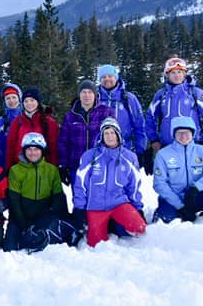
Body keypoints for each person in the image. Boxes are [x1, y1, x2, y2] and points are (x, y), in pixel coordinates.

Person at [72, 117, 146, 247]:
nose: (110, 136)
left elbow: (134, 186)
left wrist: (138, 208)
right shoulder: (89, 157)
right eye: (106, 133)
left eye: (113, 133)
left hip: (119, 203)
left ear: (118, 135)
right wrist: (79, 208)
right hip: (95, 207)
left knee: (140, 228)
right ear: (101, 136)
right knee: (97, 244)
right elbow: (80, 185)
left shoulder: (129, 157)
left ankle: (115, 224)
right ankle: (106, 225)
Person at [5, 132, 75, 254]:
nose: (33, 153)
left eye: (36, 149)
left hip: (43, 215)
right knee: (9, 248)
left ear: (42, 151)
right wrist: (22, 223)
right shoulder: (15, 170)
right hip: (21, 216)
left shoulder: (51, 170)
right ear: (24, 151)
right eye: (29, 149)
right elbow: (14, 200)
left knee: (43, 242)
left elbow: (59, 197)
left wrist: (53, 213)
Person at [152, 117, 203, 223]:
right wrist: (181, 206)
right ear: (174, 134)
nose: (183, 137)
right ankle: (173, 214)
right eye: (179, 133)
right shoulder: (163, 154)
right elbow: (159, 183)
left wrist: (196, 188)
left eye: (187, 133)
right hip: (173, 200)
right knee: (164, 221)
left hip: (196, 196)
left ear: (193, 134)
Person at [145, 57, 203, 151]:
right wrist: (154, 139)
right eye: (173, 72)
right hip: (167, 146)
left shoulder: (196, 93)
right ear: (167, 75)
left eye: (179, 72)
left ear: (184, 74)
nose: (177, 75)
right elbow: (150, 117)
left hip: (192, 146)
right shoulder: (161, 95)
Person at [57, 80, 111, 185]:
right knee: (79, 199)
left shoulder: (106, 112)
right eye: (83, 92)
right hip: (76, 166)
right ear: (79, 95)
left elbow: (114, 138)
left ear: (95, 94)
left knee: (98, 199)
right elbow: (63, 142)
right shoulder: (70, 116)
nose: (87, 95)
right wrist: (62, 165)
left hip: (100, 165)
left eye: (90, 92)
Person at [96, 64, 148, 165]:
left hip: (125, 149)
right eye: (103, 77)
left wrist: (141, 150)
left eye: (110, 76)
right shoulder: (95, 98)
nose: (107, 79)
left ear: (116, 77)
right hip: (100, 152)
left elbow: (140, 126)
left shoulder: (128, 98)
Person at [5, 87, 60, 173]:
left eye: (32, 100)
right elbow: (10, 147)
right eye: (26, 101)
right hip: (21, 169)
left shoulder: (48, 122)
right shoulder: (17, 122)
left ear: (37, 102)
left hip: (43, 169)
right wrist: (9, 169)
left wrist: (53, 169)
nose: (29, 103)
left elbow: (53, 148)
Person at [0, 83, 23, 173]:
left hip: (27, 166)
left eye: (14, 97)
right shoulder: (1, 122)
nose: (11, 101)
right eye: (8, 98)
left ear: (19, 99)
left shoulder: (27, 117)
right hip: (7, 167)